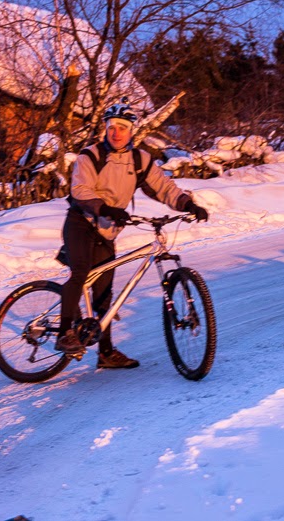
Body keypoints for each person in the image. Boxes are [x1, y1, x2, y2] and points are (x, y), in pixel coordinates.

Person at [55, 98, 209, 368]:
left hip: (107, 231)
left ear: (132, 131)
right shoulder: (90, 156)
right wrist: (105, 208)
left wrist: (188, 204)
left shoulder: (140, 160)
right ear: (106, 128)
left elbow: (164, 187)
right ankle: (64, 333)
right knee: (80, 273)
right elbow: (80, 191)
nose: (116, 133)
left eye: (123, 128)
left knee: (104, 295)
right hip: (81, 223)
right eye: (112, 127)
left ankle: (105, 353)